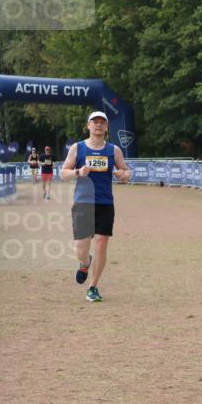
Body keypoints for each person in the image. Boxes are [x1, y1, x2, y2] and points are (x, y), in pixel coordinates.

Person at [60, 111, 131, 302]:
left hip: (105, 203)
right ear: (88, 125)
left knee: (101, 242)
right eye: (95, 122)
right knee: (80, 250)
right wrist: (77, 172)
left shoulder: (113, 150)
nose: (98, 125)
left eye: (102, 122)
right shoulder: (78, 148)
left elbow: (125, 171)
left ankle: (93, 287)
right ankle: (85, 263)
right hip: (83, 202)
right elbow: (63, 173)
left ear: (106, 127)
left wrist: (124, 175)